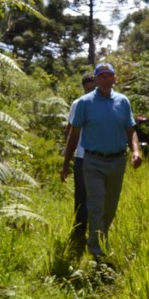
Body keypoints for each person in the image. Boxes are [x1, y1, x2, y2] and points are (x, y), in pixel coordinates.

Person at [60, 63, 142, 258]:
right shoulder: (84, 103)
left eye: (109, 76)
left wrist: (136, 151)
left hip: (117, 162)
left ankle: (99, 239)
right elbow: (73, 135)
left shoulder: (123, 102)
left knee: (109, 208)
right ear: (96, 80)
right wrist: (66, 164)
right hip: (92, 162)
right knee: (96, 206)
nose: (106, 80)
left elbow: (130, 129)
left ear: (115, 79)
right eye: (102, 77)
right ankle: (98, 252)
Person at [65, 72, 96, 250]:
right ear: (84, 88)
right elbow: (70, 131)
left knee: (97, 196)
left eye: (94, 87)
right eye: (88, 88)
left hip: (98, 157)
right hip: (81, 156)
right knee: (81, 196)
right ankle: (79, 231)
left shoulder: (104, 103)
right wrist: (67, 158)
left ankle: (96, 231)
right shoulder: (78, 104)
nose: (91, 91)